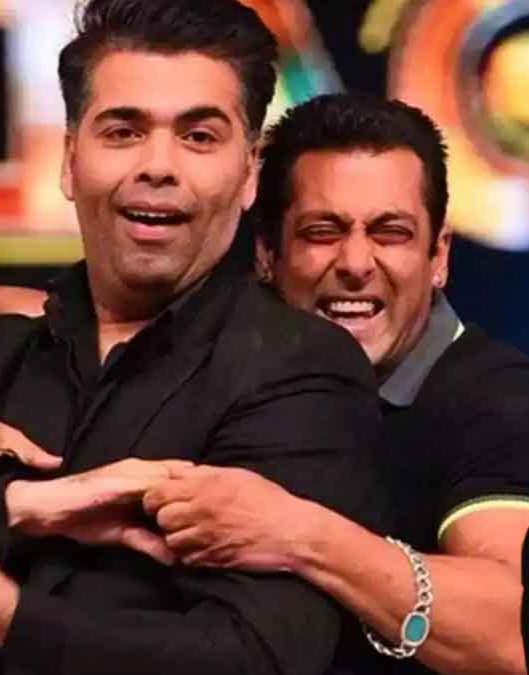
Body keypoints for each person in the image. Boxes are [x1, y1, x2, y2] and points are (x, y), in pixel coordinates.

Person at [0, 7, 387, 675]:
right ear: (69, 161)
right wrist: (20, 503)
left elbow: (252, 657)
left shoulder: (304, 373)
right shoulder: (12, 348)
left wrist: (10, 617)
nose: (158, 165)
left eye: (199, 136)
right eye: (123, 131)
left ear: (249, 173)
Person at [144, 93, 529, 675]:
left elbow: (511, 631)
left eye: (390, 233)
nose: (355, 263)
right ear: (267, 254)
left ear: (439, 256)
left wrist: (299, 535)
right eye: (322, 231)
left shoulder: (496, 401)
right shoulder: (219, 373)